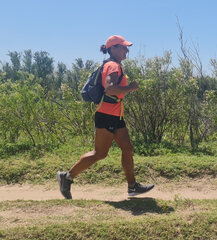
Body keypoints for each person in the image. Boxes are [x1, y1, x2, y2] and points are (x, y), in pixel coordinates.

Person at [57, 35, 154, 199]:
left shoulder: (113, 65)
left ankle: (132, 187)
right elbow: (110, 89)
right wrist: (131, 87)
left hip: (115, 115)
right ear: (114, 49)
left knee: (127, 148)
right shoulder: (113, 66)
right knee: (100, 153)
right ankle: (66, 177)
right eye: (123, 47)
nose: (127, 50)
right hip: (107, 115)